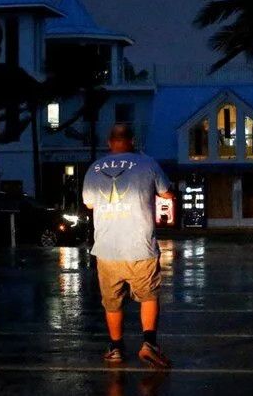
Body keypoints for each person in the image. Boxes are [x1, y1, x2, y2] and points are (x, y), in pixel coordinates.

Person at [82, 124, 173, 368]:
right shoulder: (148, 163)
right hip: (140, 247)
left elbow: (89, 204)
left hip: (107, 249)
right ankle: (149, 343)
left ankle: (115, 348)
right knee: (148, 296)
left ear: (110, 142)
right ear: (132, 140)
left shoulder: (94, 169)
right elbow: (167, 194)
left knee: (112, 302)